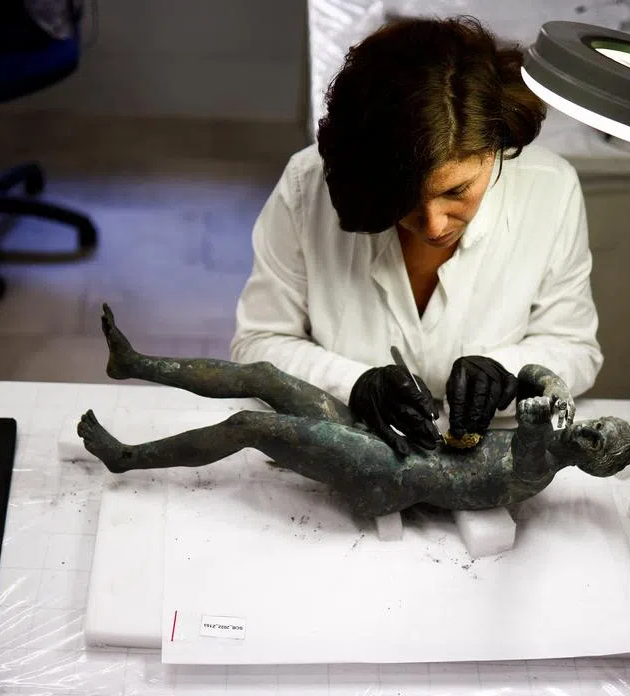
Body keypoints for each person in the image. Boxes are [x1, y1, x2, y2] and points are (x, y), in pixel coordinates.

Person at [231, 16, 603, 456]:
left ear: (497, 147)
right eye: (405, 198)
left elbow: (576, 349)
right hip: (345, 456)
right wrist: (354, 385)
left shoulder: (550, 189)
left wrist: (509, 374)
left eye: (456, 191)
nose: (434, 225)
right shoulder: (305, 186)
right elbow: (256, 345)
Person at [79, 305, 630, 519]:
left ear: (593, 463)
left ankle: (128, 457)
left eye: (596, 438)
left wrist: (529, 387)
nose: (588, 428)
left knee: (251, 425)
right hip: (404, 440)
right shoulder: (562, 426)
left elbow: (527, 426)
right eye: (598, 424)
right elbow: (541, 383)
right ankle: (133, 363)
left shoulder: (536, 468)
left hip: (391, 476)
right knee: (262, 377)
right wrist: (524, 374)